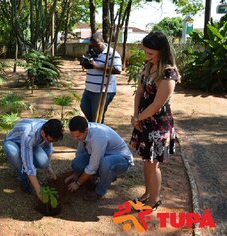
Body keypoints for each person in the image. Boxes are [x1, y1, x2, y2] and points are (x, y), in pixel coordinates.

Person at [129, 31, 181, 210]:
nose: (147, 56)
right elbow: (140, 92)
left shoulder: (168, 73)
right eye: (146, 52)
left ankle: (154, 199)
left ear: (162, 50)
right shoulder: (148, 66)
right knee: (146, 161)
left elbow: (158, 104)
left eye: (151, 53)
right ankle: (147, 193)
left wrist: (138, 118)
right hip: (143, 121)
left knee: (153, 164)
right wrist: (136, 116)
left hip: (158, 124)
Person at [65, 116, 134, 201]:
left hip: (121, 160)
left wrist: (77, 183)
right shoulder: (83, 131)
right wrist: (76, 173)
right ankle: (106, 176)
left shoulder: (98, 137)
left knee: (106, 163)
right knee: (77, 163)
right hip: (102, 155)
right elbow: (80, 153)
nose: (75, 139)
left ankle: (99, 191)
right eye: (73, 136)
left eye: (78, 136)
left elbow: (93, 166)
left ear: (86, 130)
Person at [3, 118, 64, 201]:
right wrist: (39, 191)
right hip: (13, 142)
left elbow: (48, 147)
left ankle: (27, 169)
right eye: (49, 140)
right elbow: (29, 166)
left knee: (44, 162)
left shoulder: (50, 126)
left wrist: (49, 167)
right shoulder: (29, 135)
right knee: (13, 152)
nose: (50, 142)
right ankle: (24, 178)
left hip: (29, 144)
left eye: (53, 140)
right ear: (43, 133)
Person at [80, 32, 122, 123]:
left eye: (97, 45)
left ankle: (98, 130)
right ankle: (95, 126)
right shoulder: (91, 52)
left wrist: (96, 66)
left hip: (103, 90)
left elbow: (118, 70)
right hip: (89, 89)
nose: (95, 48)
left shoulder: (112, 53)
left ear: (103, 41)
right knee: (84, 107)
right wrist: (85, 62)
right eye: (93, 46)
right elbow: (87, 65)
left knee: (97, 115)